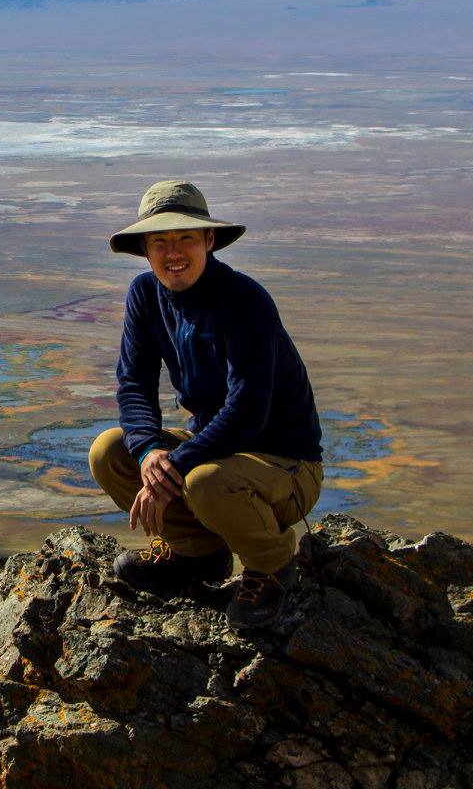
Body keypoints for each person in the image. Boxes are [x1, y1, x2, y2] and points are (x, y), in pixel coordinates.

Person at [86, 179, 323, 630]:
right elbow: (133, 385)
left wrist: (174, 465)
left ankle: (270, 564)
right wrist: (149, 452)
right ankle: (196, 555)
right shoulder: (145, 295)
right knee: (110, 452)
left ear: (209, 241)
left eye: (186, 238)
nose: (174, 252)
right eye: (161, 241)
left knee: (206, 483)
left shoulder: (243, 300)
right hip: (217, 452)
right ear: (145, 249)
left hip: (285, 466)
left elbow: (248, 411)